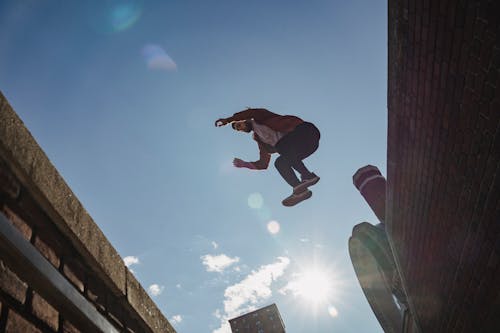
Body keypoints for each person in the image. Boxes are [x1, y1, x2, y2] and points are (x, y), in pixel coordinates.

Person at [215, 108, 320, 206]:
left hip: (305, 131)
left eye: (239, 125)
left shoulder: (259, 118)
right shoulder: (260, 140)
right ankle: (300, 191)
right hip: (302, 147)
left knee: (281, 146)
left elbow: (251, 112)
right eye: (239, 130)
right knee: (280, 163)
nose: (240, 129)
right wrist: (245, 164)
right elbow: (263, 164)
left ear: (244, 120)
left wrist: (228, 120)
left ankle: (307, 176)